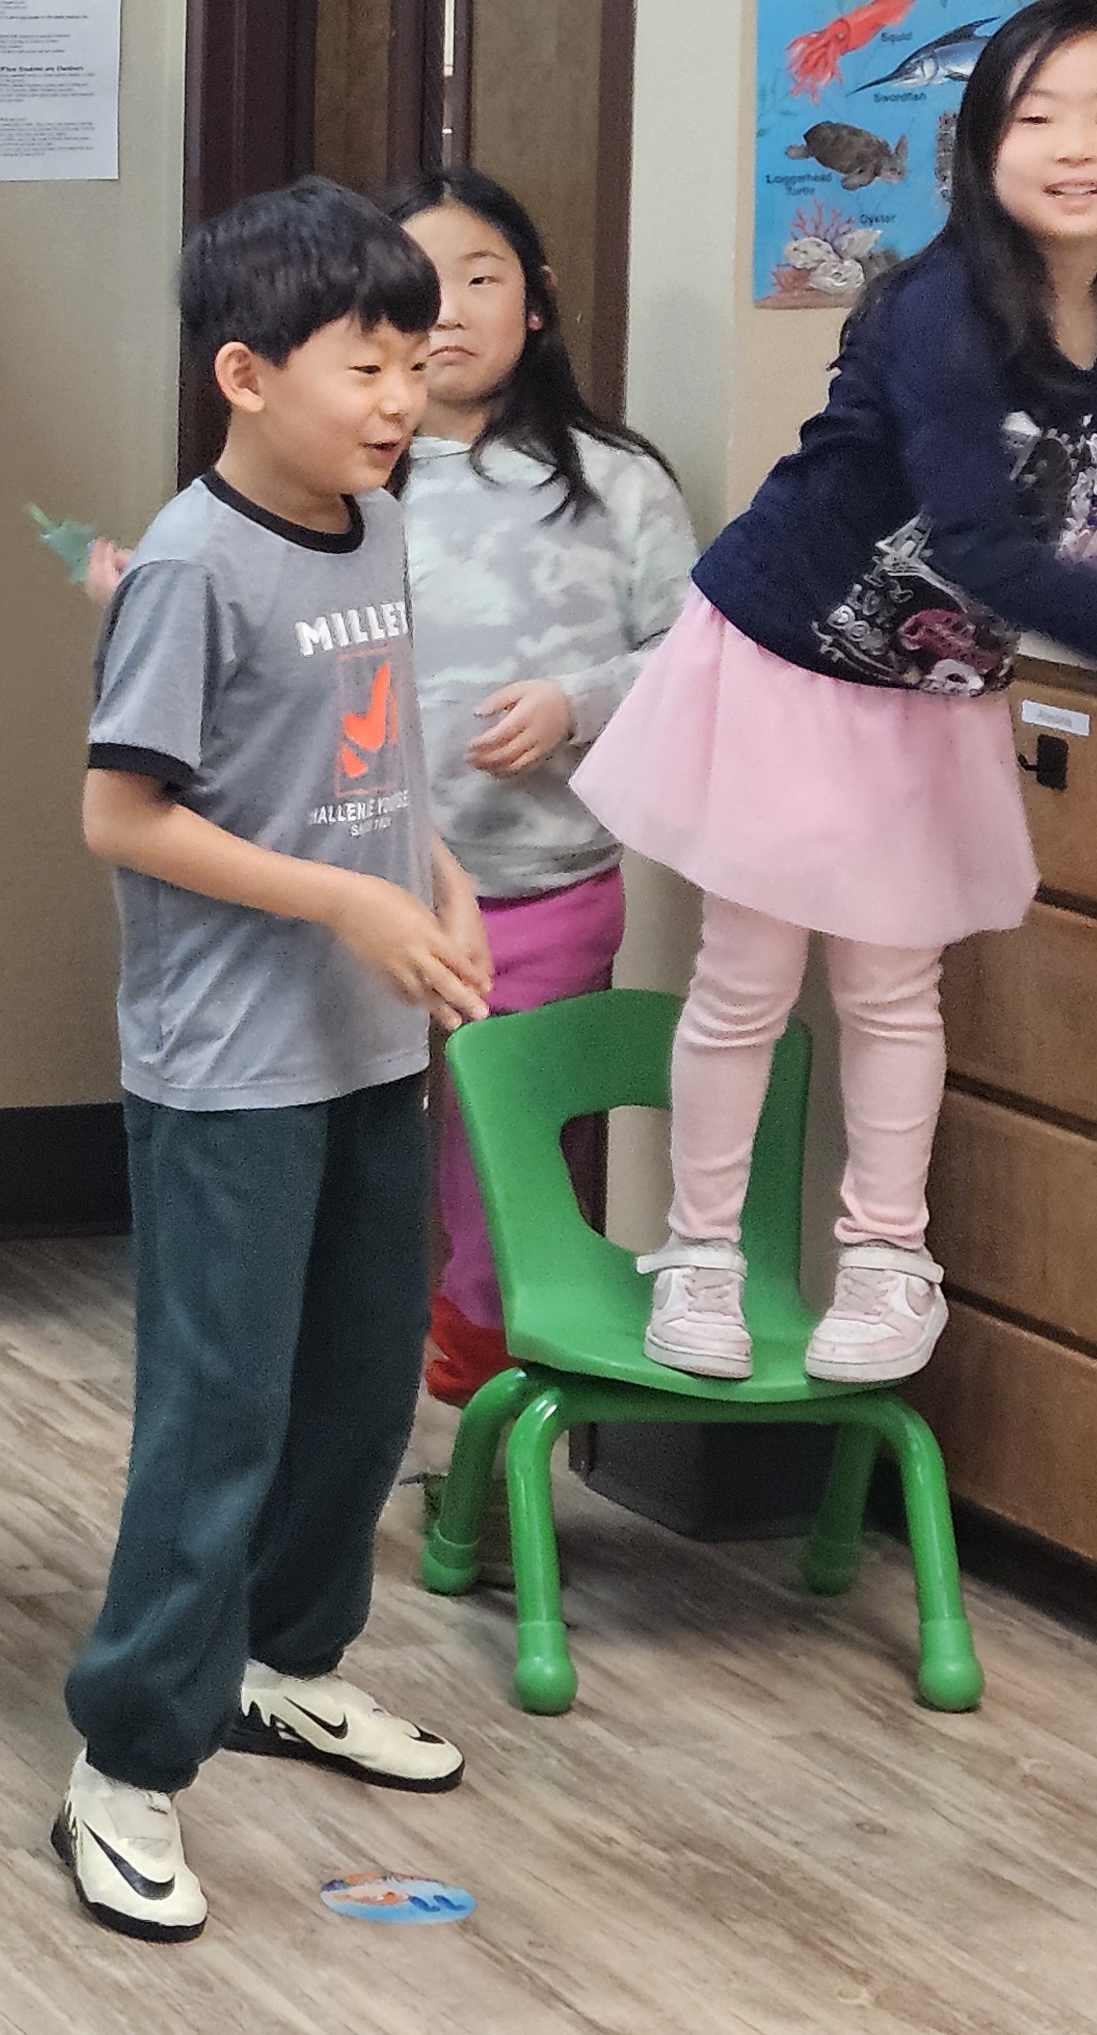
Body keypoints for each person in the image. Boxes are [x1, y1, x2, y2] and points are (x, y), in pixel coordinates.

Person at [575, 0, 1097, 1386]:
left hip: (928, 687)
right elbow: (971, 539)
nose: (1074, 145)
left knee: (895, 987)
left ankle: (886, 1259)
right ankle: (700, 1253)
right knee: (747, 982)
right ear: (981, 148)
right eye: (1036, 117)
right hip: (785, 661)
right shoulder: (941, 309)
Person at [59, 178, 489, 1947]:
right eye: (363, 368)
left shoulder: (373, 524)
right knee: (219, 1416)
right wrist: (342, 899)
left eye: (413, 364)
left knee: (364, 1390)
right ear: (245, 374)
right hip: (229, 1067)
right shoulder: (190, 565)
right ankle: (126, 1761)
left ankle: (286, 1666)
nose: (400, 400)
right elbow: (121, 815)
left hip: (370, 1041)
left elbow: (362, 764)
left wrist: (434, 880)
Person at [383, 169, 694, 1405]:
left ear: (537, 301)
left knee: (505, 1160)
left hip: (543, 881)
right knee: (354, 1143)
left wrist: (577, 702)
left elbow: (692, 656)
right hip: (357, 890)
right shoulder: (339, 479)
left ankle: (488, 1394)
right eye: (417, 286)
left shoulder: (617, 481)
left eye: (481, 278)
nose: (448, 309)